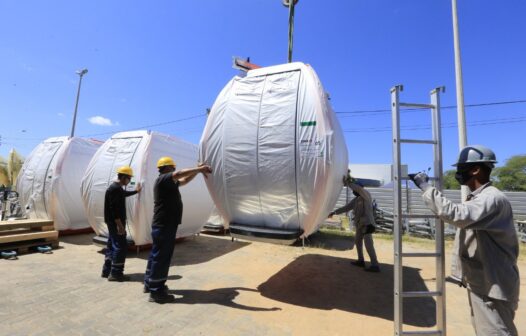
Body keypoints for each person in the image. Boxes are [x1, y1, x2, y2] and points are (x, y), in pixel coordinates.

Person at [409, 145, 520, 335]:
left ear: (476, 169)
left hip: (493, 284)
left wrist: (426, 187)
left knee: (495, 331)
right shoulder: (480, 198)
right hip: (484, 281)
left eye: (461, 167)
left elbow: (457, 215)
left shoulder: (491, 199)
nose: (458, 172)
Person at [144, 156, 212, 303]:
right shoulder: (163, 179)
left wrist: (197, 172)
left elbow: (184, 180)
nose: (174, 170)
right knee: (162, 257)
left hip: (163, 225)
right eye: (173, 168)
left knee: (156, 255)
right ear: (168, 168)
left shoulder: (168, 183)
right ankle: (156, 291)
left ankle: (150, 283)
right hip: (164, 225)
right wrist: (200, 168)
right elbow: (180, 174)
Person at [329, 180, 380, 272]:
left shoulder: (366, 195)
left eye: (355, 189)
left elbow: (358, 189)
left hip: (368, 224)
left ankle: (375, 265)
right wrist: (334, 212)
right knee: (357, 242)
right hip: (360, 225)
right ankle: (361, 261)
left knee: (368, 245)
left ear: (359, 188)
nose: (353, 191)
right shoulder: (356, 200)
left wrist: (348, 183)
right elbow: (346, 207)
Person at [102, 166, 142, 282]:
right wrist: (120, 226)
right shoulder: (115, 189)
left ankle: (106, 270)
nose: (129, 181)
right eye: (129, 178)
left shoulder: (116, 188)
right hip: (116, 223)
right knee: (120, 247)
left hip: (112, 222)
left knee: (111, 245)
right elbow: (114, 209)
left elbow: (123, 194)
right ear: (124, 177)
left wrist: (136, 191)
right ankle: (116, 273)